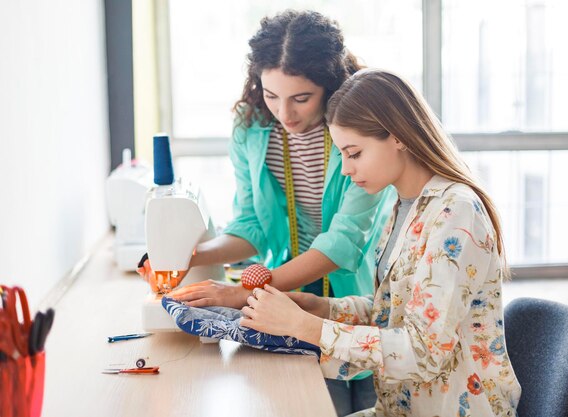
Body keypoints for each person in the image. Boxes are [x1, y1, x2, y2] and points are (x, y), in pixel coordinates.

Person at [138, 10, 394, 416]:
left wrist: (245, 293)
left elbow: (344, 242)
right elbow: (251, 225)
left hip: (353, 297)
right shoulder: (251, 127)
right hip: (284, 299)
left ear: (331, 85)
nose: (284, 114)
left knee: (356, 401)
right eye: (271, 95)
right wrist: (186, 255)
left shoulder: (358, 134)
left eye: (301, 99)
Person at [239, 69, 522, 417]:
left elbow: (423, 352)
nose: (345, 169)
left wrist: (306, 327)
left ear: (398, 136)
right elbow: (393, 313)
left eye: (354, 153)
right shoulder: (402, 205)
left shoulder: (455, 212)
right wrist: (319, 307)